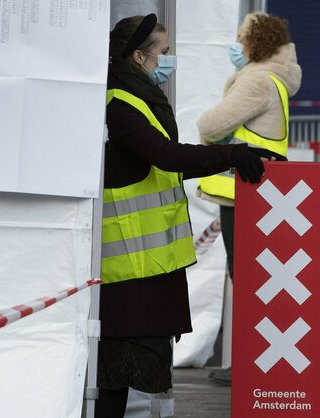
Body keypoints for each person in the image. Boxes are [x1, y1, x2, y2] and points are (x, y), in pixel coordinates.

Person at [99, 14, 284, 417]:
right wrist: (229, 153)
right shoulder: (121, 104)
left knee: (139, 367)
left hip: (150, 263)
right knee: (123, 372)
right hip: (130, 268)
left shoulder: (140, 98)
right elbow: (166, 156)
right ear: (138, 57)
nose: (168, 61)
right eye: (163, 53)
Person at [194, 12, 301, 386]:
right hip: (260, 196)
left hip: (242, 196)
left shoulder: (256, 81)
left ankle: (249, 366)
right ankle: (255, 361)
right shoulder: (275, 80)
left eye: (241, 38)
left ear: (256, 44)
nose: (235, 45)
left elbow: (210, 125)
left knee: (246, 279)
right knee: (256, 280)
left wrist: (211, 139)